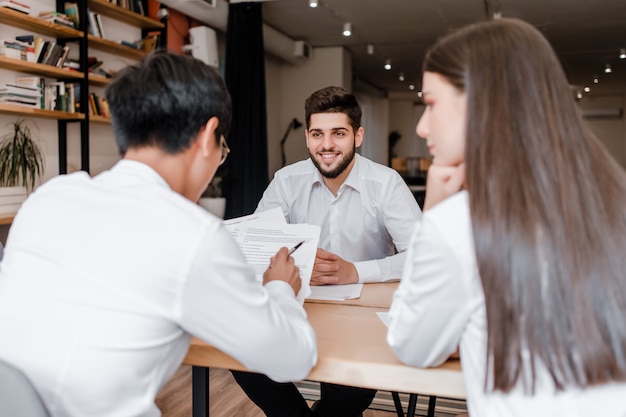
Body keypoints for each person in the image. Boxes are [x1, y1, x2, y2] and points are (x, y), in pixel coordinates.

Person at [0, 51, 317, 417]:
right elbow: (292, 359)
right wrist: (280, 287)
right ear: (207, 135)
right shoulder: (192, 235)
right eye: (222, 149)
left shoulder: (50, 197)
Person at [387, 17, 626, 417]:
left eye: (430, 103)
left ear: (482, 101)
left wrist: (433, 216)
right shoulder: (612, 199)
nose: (421, 125)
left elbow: (412, 345)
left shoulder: (458, 224)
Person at [233, 86, 422, 417]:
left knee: (346, 392)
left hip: (363, 317)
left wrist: (355, 271)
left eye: (339, 133)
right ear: (307, 137)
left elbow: (424, 257)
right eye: (317, 134)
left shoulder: (386, 184)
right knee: (241, 352)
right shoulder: (285, 181)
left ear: (357, 136)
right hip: (299, 304)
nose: (327, 145)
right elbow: (258, 243)